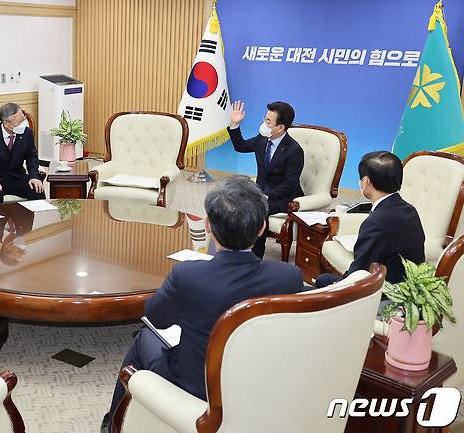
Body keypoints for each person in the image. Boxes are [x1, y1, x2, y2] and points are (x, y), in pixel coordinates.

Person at [100, 175, 304, 433]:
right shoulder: (288, 277)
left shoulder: (189, 275)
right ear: (262, 228)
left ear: (207, 225)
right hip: (256, 378)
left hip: (196, 383)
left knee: (143, 339)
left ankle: (112, 425)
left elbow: (156, 316)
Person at [315, 151, 425, 288]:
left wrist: (339, 284)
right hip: (408, 285)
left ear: (366, 181)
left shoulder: (376, 222)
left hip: (384, 292)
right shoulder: (409, 210)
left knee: (322, 280)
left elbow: (360, 271)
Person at [227, 101, 304, 258]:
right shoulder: (262, 139)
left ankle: (254, 258)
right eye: (265, 118)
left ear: (280, 127)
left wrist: (264, 196)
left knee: (258, 207)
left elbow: (290, 185)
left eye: (268, 121)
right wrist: (234, 124)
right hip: (261, 191)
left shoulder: (294, 151)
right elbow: (240, 146)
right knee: (233, 200)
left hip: (283, 196)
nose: (264, 123)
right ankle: (234, 248)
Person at [0, 103, 45, 205]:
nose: (24, 124)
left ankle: (34, 221)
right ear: (6, 124)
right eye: (20, 122)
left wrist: (34, 176)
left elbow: (31, 157)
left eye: (24, 119)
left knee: (36, 190)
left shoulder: (27, 133)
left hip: (16, 177)